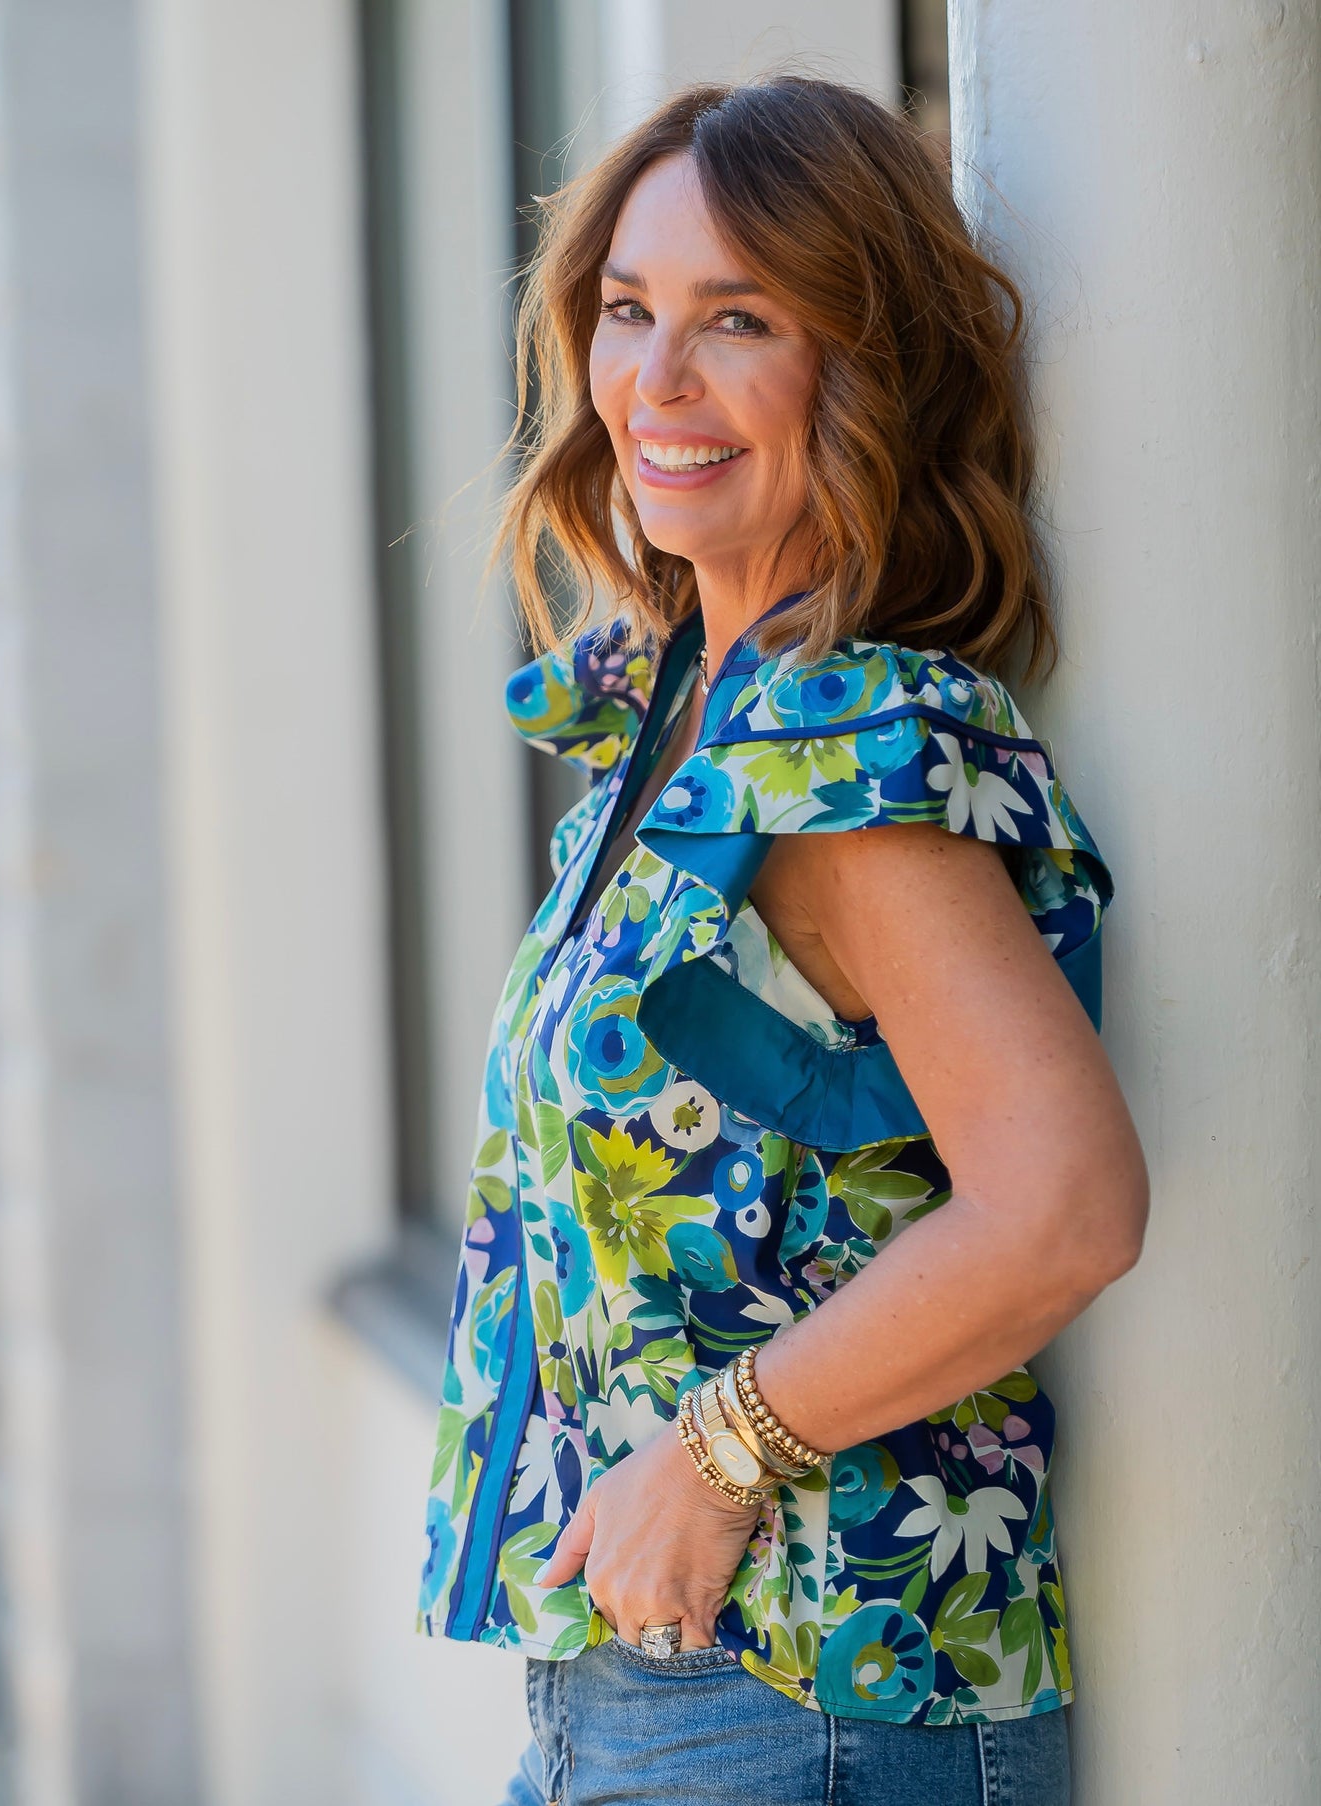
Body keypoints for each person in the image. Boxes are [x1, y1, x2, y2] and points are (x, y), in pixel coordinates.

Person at [417, 75, 1148, 1806]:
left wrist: (721, 1450)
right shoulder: (693, 717)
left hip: (812, 1699)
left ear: (858, 364)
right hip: (648, 1691)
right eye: (625, 311)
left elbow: (1064, 1205)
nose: (653, 384)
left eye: (734, 320)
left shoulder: (847, 756)